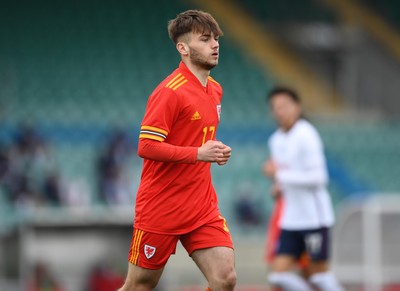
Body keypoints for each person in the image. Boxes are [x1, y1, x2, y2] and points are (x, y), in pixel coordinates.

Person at [118, 10, 236, 291]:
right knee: (139, 285)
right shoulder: (170, 92)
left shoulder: (215, 89)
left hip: (201, 206)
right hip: (161, 207)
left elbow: (198, 138)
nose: (215, 44)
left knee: (225, 279)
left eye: (216, 38)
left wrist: (215, 152)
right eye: (205, 39)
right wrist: (198, 153)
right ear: (182, 48)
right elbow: (146, 146)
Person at [264, 87, 344, 291]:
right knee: (278, 277)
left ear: (297, 107)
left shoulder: (306, 134)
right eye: (275, 107)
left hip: (313, 219)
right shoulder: (276, 140)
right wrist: (279, 188)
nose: (280, 111)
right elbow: (288, 176)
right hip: (291, 219)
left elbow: (319, 178)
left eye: (284, 105)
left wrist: (279, 176)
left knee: (319, 277)